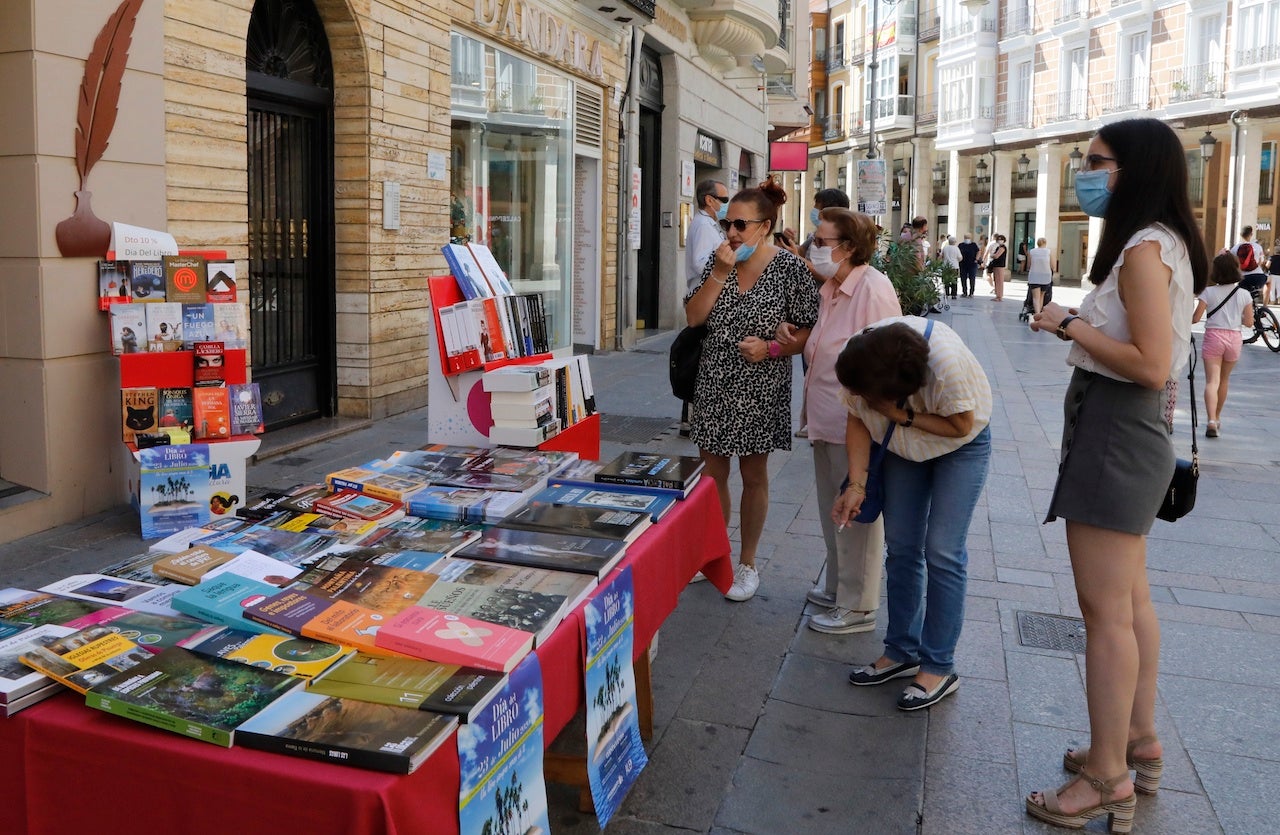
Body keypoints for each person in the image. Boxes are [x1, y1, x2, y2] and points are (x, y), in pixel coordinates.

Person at [1027, 118, 1208, 831]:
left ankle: (1108, 775)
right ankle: (1137, 742)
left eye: (1095, 161)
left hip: (1117, 428)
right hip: (1131, 431)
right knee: (1130, 602)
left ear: (1133, 169)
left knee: (1105, 614)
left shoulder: (1141, 247)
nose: (1085, 169)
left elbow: (1150, 363)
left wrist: (1068, 325)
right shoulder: (1166, 241)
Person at [833, 318, 992, 709]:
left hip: (961, 446)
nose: (860, 397)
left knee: (943, 550)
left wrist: (898, 415)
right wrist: (857, 484)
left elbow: (961, 424)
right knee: (902, 545)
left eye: (870, 396)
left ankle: (938, 665)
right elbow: (857, 416)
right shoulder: (865, 354)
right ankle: (902, 650)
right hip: (907, 447)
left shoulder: (945, 366)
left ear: (897, 392)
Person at [684, 176, 821, 603]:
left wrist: (774, 346)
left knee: (753, 473)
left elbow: (808, 331)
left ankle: (747, 563)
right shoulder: (719, 262)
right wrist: (721, 272)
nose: (731, 233)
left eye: (741, 225)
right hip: (715, 377)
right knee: (712, 472)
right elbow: (693, 318)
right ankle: (714, 555)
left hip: (761, 383)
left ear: (765, 226)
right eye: (728, 223)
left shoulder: (790, 268)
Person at [779, 208, 900, 633]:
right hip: (826, 420)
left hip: (856, 425)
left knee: (856, 512)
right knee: (834, 508)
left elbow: (886, 360)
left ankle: (858, 604)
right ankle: (838, 587)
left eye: (823, 240)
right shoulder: (832, 286)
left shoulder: (872, 288)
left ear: (849, 247)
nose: (815, 247)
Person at [789, 187, 851, 440]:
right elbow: (804, 256)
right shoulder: (816, 235)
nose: (814, 212)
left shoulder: (844, 237)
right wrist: (794, 248)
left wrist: (800, 260)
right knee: (811, 362)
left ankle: (830, 421)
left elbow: (829, 273)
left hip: (831, 308)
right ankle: (814, 419)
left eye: (817, 206)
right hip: (815, 307)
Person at [680, 179, 729, 437]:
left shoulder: (712, 225)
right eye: (724, 199)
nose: (726, 204)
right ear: (709, 200)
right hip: (701, 297)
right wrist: (723, 260)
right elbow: (700, 264)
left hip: (708, 296)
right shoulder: (702, 225)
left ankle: (693, 414)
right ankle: (690, 416)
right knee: (697, 359)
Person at [1194, 251, 1253, 439]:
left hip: (1213, 336)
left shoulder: (1208, 292)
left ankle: (1211, 420)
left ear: (1216, 271)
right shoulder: (1244, 294)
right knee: (1224, 380)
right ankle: (1218, 418)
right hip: (1234, 338)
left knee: (1212, 381)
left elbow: (1195, 318)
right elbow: (1250, 323)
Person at [1234, 225, 1266, 302]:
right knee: (1269, 281)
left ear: (1240, 235)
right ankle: (1265, 306)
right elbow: (1261, 261)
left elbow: (1234, 264)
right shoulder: (1258, 247)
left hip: (1243, 278)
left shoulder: (1235, 248)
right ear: (1251, 234)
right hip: (1258, 277)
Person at [1026, 237, 1056, 315]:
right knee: (1042, 296)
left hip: (1034, 275)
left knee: (1035, 297)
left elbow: (1029, 265)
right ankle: (1039, 313)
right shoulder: (1048, 252)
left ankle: (1037, 313)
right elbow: (1053, 266)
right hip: (1046, 276)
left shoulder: (1032, 251)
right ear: (1045, 243)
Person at [958, 233, 980, 298]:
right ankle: (964, 292)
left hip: (972, 264)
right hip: (963, 264)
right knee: (963, 278)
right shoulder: (961, 245)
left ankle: (971, 292)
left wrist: (976, 259)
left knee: (972, 278)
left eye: (968, 237)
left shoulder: (974, 245)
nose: (967, 239)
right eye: (966, 237)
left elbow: (978, 251)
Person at [987, 234, 1008, 301]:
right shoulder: (999, 247)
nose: (1000, 241)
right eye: (998, 239)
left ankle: (999, 296)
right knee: (996, 280)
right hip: (996, 265)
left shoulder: (1002, 247)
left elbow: (996, 256)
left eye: (1001, 239)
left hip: (1000, 266)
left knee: (999, 281)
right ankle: (997, 295)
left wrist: (992, 255)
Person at [940, 235, 962, 299]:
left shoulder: (945, 247)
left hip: (946, 266)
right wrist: (957, 260)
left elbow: (941, 255)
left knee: (946, 280)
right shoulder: (956, 248)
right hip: (954, 266)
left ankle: (946, 293)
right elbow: (960, 257)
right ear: (955, 242)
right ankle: (954, 294)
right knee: (954, 280)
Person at [1268, 239, 1280, 304]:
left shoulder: (1272, 258)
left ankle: (1272, 301)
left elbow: (1267, 265)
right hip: (1279, 275)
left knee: (1272, 288)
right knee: (1279, 288)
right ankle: (1279, 300)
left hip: (1272, 274)